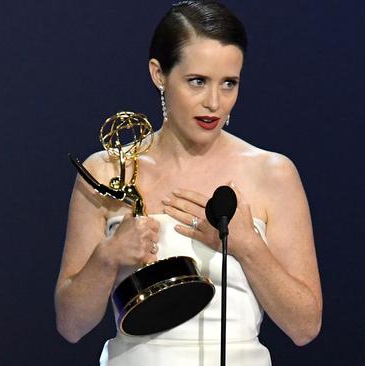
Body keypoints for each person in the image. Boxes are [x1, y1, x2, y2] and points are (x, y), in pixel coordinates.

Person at [54, 1, 322, 365]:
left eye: (229, 83)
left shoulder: (273, 173)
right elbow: (71, 325)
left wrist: (247, 247)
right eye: (197, 81)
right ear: (158, 74)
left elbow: (305, 326)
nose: (214, 103)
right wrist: (108, 257)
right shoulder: (107, 171)